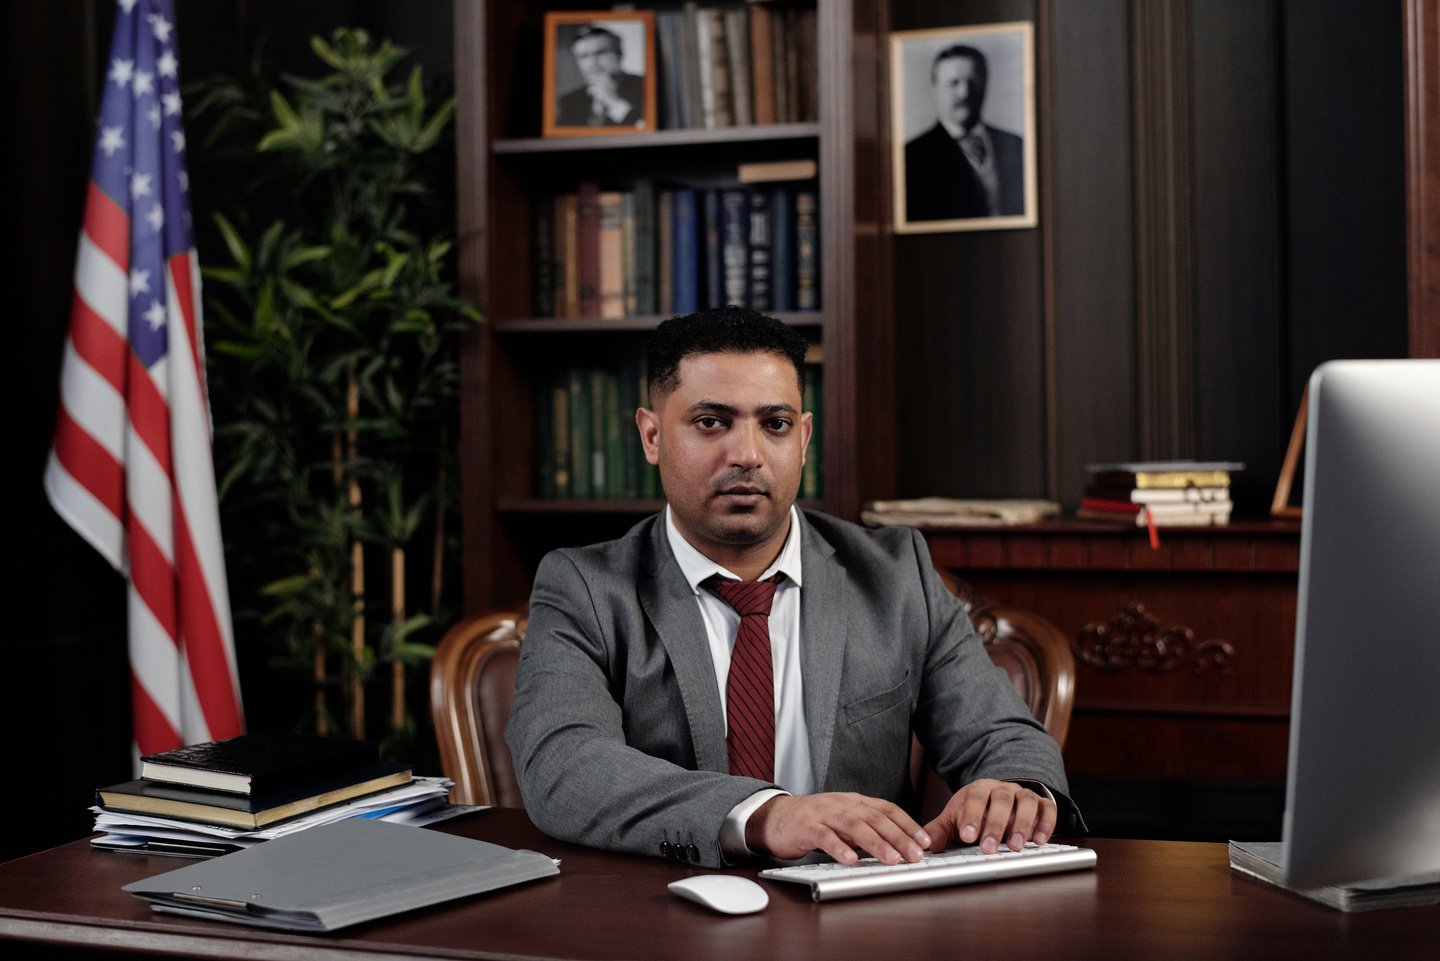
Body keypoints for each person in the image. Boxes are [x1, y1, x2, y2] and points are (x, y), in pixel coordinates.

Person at [506, 306, 1082, 868]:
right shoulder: (583, 586)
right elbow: (564, 765)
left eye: (774, 425)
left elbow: (1002, 735)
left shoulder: (895, 572)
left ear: (803, 438)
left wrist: (1011, 789)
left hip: (861, 915)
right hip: (665, 916)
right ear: (652, 436)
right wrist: (763, 815)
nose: (748, 455)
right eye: (711, 422)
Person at [904, 44, 1025, 222]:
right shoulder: (912, 156)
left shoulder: (1017, 145)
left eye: (972, 82)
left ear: (985, 83)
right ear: (935, 88)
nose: (964, 93)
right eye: (953, 83)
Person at [555, 24, 645, 128]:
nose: (592, 62)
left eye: (601, 53)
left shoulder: (645, 86)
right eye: (584, 56)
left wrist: (614, 102)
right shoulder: (570, 101)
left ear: (619, 54)